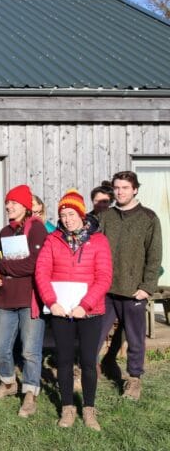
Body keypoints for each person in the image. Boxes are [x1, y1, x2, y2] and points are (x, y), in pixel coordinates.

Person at [35, 189, 112, 430]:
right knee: (65, 360)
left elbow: (104, 277)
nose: (67, 219)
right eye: (63, 214)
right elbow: (42, 273)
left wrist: (84, 305)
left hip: (90, 311)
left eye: (71, 213)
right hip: (60, 311)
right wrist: (51, 302)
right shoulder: (52, 239)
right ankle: (67, 407)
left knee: (89, 361)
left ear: (81, 213)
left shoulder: (99, 241)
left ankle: (88, 409)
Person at [96, 171, 162, 401]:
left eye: (125, 187)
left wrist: (147, 286)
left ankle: (134, 379)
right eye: (117, 188)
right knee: (96, 333)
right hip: (106, 290)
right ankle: (87, 370)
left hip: (134, 290)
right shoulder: (107, 216)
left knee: (135, 338)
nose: (120, 191)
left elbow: (154, 256)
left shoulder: (148, 218)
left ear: (135, 189)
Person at [0, 184, 48, 418]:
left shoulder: (37, 230)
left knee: (30, 352)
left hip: (29, 298)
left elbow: (34, 264)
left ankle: (30, 393)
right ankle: (9, 382)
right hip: (5, 299)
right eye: (7, 203)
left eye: (13, 203)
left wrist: (4, 267)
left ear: (25, 206)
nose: (8, 206)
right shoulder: (5, 232)